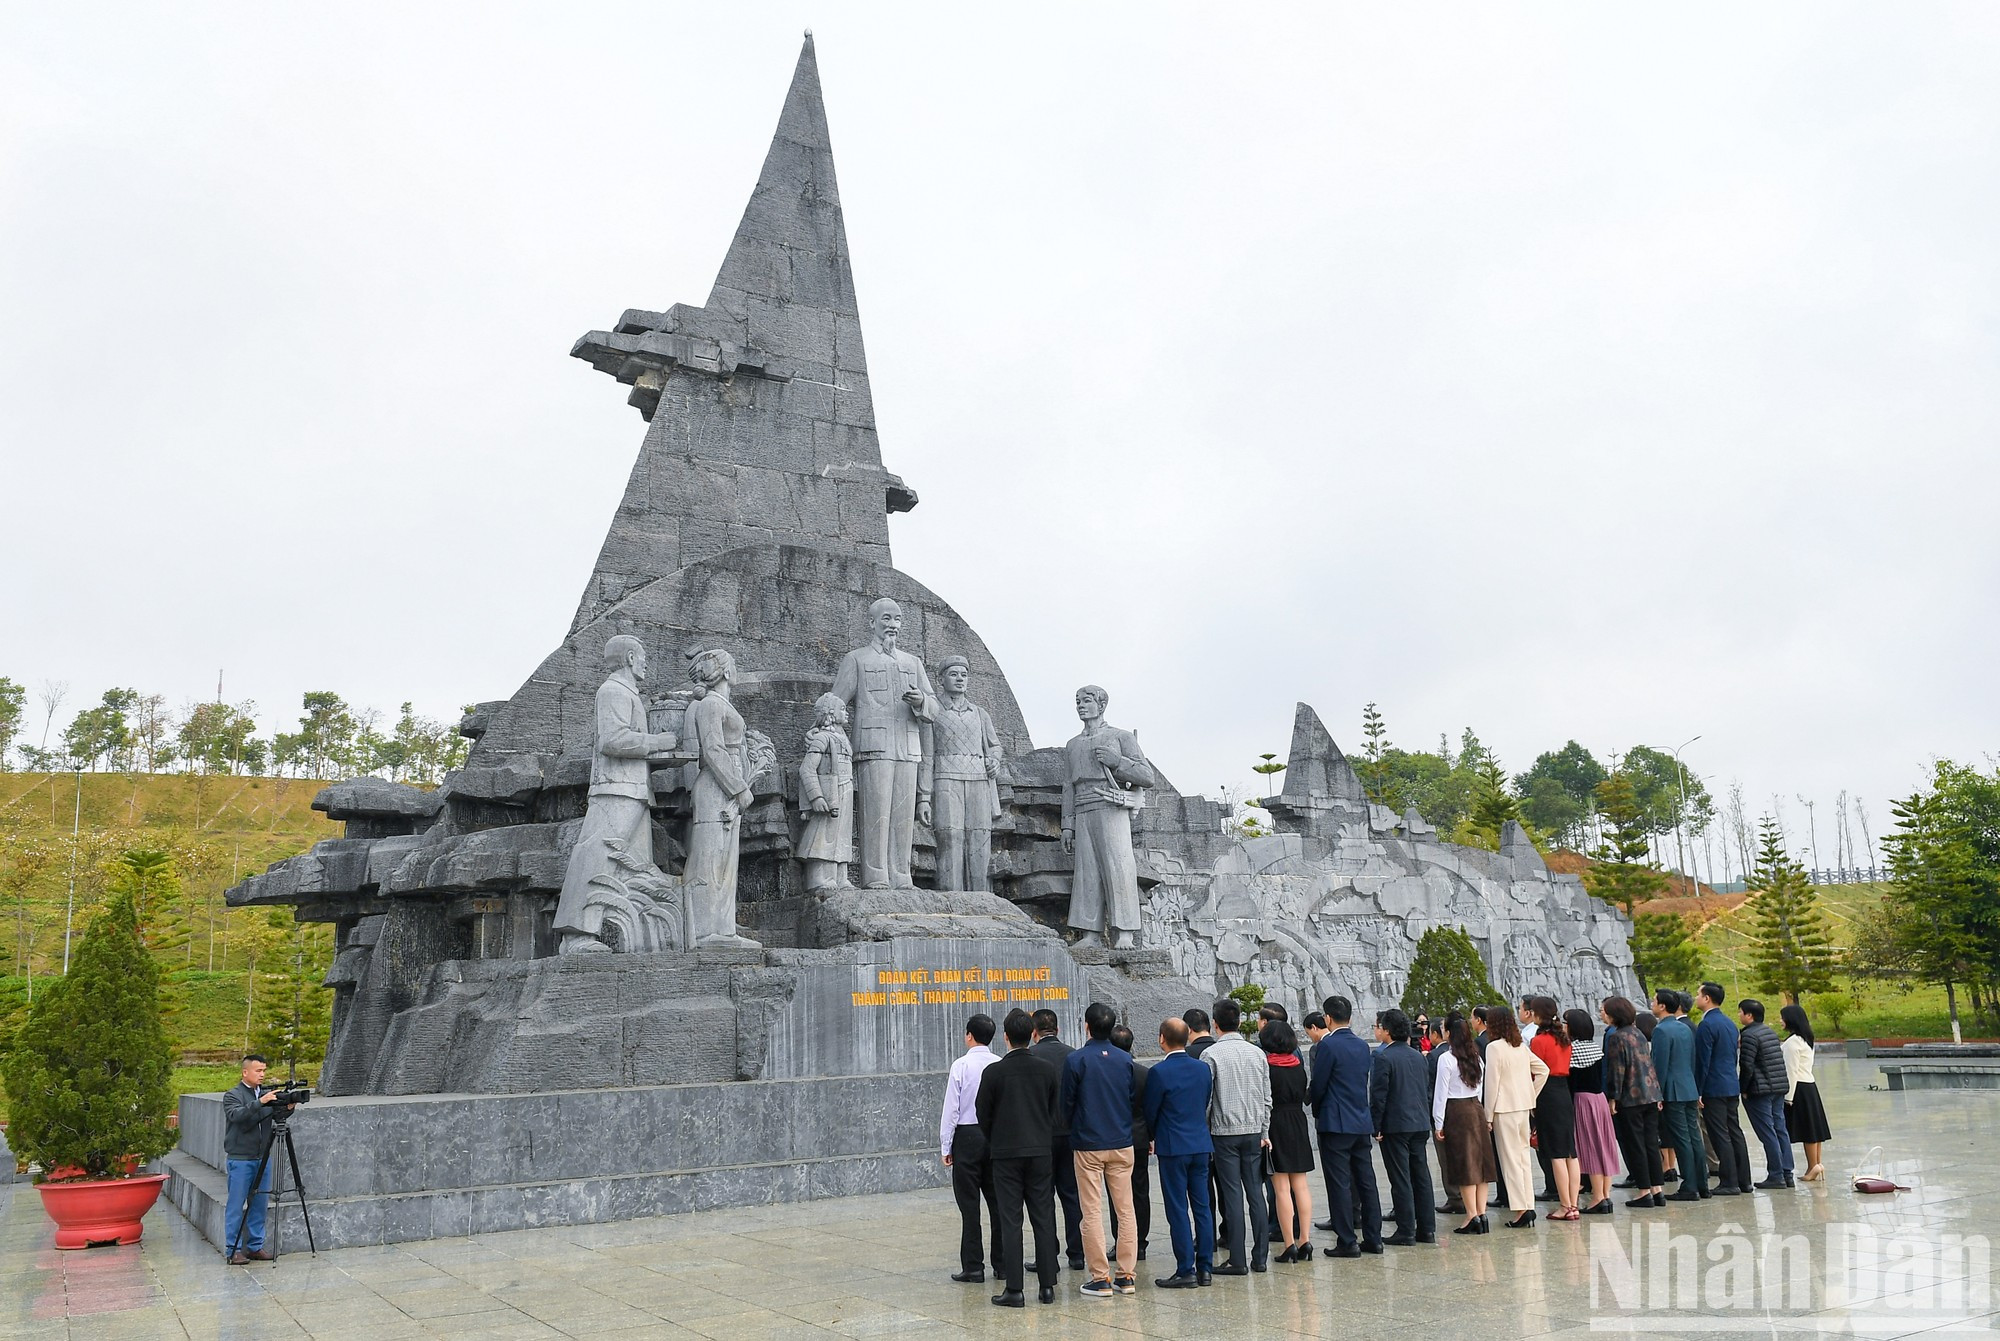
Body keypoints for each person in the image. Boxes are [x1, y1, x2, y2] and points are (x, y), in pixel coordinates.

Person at [831, 597, 938, 891]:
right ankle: (875, 875)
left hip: (907, 746)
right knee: (875, 813)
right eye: (887, 619)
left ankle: (902, 874)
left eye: (898, 619)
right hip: (873, 745)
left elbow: (934, 708)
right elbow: (835, 702)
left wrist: (921, 702)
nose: (893, 625)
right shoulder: (857, 659)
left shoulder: (912, 662)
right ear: (872, 622)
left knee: (903, 815)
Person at [977, 1010, 1061, 1308]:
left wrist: (997, 1138)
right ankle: (1048, 1285)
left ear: (1006, 1037)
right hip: (1040, 1151)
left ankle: (1014, 1289)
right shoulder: (1046, 1069)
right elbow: (1053, 1109)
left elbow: (982, 1114)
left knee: (1011, 1220)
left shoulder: (995, 1072)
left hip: (1006, 1154)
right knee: (1043, 1216)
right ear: (1032, 1035)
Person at [1060, 1002, 1141, 1298]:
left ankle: (1099, 1277)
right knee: (1125, 1209)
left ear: (1087, 1026)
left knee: (1091, 1210)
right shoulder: (1125, 1059)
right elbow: (1131, 1099)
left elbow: (1066, 1104)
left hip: (1089, 1143)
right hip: (1121, 1142)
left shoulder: (1076, 1060)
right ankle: (1126, 1275)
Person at [1309, 995, 1383, 1257]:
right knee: (1366, 1181)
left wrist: (1317, 1110)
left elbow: (1319, 1084)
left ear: (1327, 1018)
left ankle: (1347, 1240)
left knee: (1339, 1182)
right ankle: (1374, 1238)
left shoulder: (1328, 1046)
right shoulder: (1362, 1046)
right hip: (1360, 1121)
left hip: (1336, 1122)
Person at [923, 655, 1004, 891]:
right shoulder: (934, 711)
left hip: (979, 779)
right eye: (953, 674)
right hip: (946, 778)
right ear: (941, 679)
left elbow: (995, 745)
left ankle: (981, 896)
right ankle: (952, 894)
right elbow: (927, 755)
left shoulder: (980, 713)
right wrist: (924, 796)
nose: (960, 679)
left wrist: (994, 760)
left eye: (964, 675)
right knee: (950, 837)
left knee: (980, 838)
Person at [1203, 998, 1272, 1275]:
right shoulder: (1257, 1053)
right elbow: (1267, 1097)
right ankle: (1261, 1257)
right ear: (1240, 1021)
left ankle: (1237, 1259)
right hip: (1254, 1131)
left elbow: (1207, 1100)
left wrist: (1205, 1128)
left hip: (1223, 1132)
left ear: (1215, 1024)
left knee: (1232, 1195)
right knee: (1256, 1193)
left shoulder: (1211, 1055)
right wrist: (1265, 1130)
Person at [1145, 1018, 1215, 1289]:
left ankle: (1186, 1268)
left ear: (1162, 1038)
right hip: (1200, 1142)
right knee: (1203, 1208)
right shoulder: (1202, 1069)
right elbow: (1205, 1100)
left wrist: (1152, 1136)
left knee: (1177, 1208)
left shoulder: (1159, 1072)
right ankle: (1205, 1268)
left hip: (1173, 1146)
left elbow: (1151, 1110)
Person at [940, 1014, 1001, 1283]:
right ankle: (1003, 1264)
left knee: (970, 1206)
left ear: (969, 1036)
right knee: (999, 1204)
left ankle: (974, 1266)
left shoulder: (961, 1066)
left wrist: (946, 1145)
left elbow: (951, 1109)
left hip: (966, 1136)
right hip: (995, 1136)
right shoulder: (1000, 1064)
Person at [1480, 1004, 1549, 1229]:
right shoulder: (1520, 1046)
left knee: (1510, 1161)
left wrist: (1487, 1115)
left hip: (1504, 1109)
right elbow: (1543, 1070)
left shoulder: (1494, 1048)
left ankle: (1521, 1210)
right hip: (1523, 1107)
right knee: (1523, 1159)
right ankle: (1527, 1204)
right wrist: (1530, 1093)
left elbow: (1492, 1084)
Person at [1370, 1008, 1436, 1244]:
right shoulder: (1418, 1056)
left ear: (1386, 1031)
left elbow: (1379, 1096)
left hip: (1396, 1125)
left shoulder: (1383, 1057)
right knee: (1421, 1175)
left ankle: (1406, 1229)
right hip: (1418, 1122)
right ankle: (1427, 1228)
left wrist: (1375, 1126)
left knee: (1401, 1178)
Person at [1029, 1010, 1086, 1270]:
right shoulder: (1073, 1055)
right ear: (1058, 1030)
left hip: (1042, 1136)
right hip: (1072, 1133)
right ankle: (1077, 1253)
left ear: (1034, 1032)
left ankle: (1047, 1255)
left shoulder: (1031, 1057)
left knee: (1043, 1197)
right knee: (1072, 1195)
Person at [221, 1054, 289, 1263]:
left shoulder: (266, 1094)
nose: (262, 1075)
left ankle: (255, 1247)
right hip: (241, 1159)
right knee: (236, 1205)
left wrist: (286, 1109)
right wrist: (260, 1102)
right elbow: (238, 1117)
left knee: (259, 1204)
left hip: (263, 1157)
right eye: (258, 1070)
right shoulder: (232, 1095)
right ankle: (232, 1250)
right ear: (245, 1072)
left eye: (264, 1071)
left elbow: (275, 1118)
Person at [1258, 1018, 1316, 1262]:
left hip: (1276, 1124)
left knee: (1281, 1189)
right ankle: (1305, 1240)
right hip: (1298, 1123)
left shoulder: (1266, 1067)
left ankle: (1289, 1243)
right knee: (1301, 1186)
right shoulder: (1297, 1066)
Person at [1601, 996, 1665, 1208]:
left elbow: (1617, 1071)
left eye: (1605, 1011)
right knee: (1650, 1143)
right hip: (1650, 1094)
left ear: (1614, 1014)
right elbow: (1649, 1065)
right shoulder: (1638, 1032)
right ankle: (1657, 1189)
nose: (1602, 1014)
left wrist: (1613, 1098)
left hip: (1631, 1097)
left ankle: (1643, 1191)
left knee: (1635, 1144)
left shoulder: (1617, 1038)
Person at [1433, 1017, 1495, 1234]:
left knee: (1465, 1164)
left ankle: (1471, 1216)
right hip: (1476, 1108)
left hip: (1457, 1111)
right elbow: (1480, 1088)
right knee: (1481, 1163)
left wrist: (1438, 1122)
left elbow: (1440, 1094)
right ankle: (1482, 1212)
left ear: (1449, 1033)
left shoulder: (1446, 1059)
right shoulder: (1476, 1057)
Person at [1694, 982, 1754, 1195]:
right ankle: (1744, 1180)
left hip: (1713, 1086)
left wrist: (1698, 1090)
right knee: (1734, 1131)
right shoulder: (1729, 1023)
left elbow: (1703, 1061)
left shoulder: (1707, 1025)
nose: (1696, 997)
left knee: (1720, 1134)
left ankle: (1729, 1181)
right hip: (1729, 1083)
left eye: (1698, 994)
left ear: (1707, 998)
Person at [1650, 991, 1710, 1203]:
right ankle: (1702, 1183)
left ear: (1663, 1006)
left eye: (1655, 1001)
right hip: (1688, 1087)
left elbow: (1660, 1065)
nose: (1652, 1003)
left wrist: (1657, 1093)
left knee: (1681, 1138)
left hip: (1673, 1090)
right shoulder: (1684, 1028)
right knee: (1694, 1136)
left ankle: (1690, 1186)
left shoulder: (1660, 1031)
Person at [1525, 998, 1579, 1221]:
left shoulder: (1539, 1041)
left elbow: (1536, 1071)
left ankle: (1565, 1205)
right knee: (1570, 1152)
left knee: (1555, 1154)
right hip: (1564, 1092)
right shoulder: (1564, 1039)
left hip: (1547, 1093)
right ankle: (1573, 1204)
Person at [1564, 1008, 1619, 1216]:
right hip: (1600, 1100)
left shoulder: (1573, 1050)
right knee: (1603, 1145)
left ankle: (1597, 1197)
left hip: (1583, 1100)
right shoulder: (1595, 1047)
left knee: (1590, 1148)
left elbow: (1571, 1081)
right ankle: (1605, 1195)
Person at [1738, 999, 1795, 1189]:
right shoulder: (1769, 1032)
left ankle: (1776, 1175)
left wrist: (1743, 1088)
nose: (1739, 1016)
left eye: (1740, 1012)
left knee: (1767, 1132)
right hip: (1778, 1087)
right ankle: (1787, 1173)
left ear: (1749, 1015)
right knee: (1780, 1129)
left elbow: (1747, 1065)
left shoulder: (1749, 1036)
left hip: (1760, 1090)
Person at [1108, 1025, 1151, 1264]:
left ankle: (1121, 1241)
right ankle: (1141, 1243)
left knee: (1117, 1193)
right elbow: (1151, 1109)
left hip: (1114, 1138)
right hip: (1140, 1138)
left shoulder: (1108, 1072)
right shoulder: (1143, 1072)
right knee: (1140, 1192)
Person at [1780, 1003, 1830, 1182]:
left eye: (1782, 1017)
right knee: (1814, 1128)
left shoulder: (1792, 1043)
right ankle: (1816, 1164)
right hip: (1810, 1085)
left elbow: (1790, 1072)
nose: (1780, 1021)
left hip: (1799, 1088)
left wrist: (1788, 1097)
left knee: (1808, 1129)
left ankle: (1812, 1166)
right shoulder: (1807, 1039)